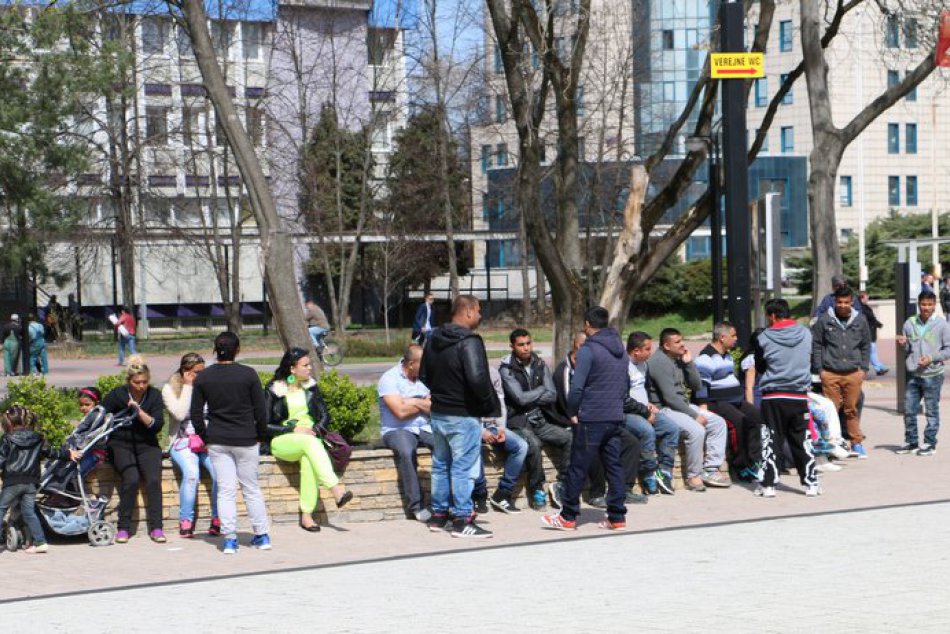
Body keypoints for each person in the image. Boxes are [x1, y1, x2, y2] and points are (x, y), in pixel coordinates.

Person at [419, 294, 499, 538]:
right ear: (468, 312)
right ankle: (462, 519)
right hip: (463, 414)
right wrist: (486, 404)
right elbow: (478, 379)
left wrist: (442, 393)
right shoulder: (470, 341)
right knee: (463, 468)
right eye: (478, 311)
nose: (480, 316)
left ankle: (439, 515)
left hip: (440, 412)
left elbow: (424, 375)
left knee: (441, 465)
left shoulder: (433, 338)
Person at [542, 306, 628, 531]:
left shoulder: (588, 350)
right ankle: (617, 517)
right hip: (615, 415)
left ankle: (568, 516)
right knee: (614, 466)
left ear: (588, 325)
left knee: (577, 467)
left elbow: (577, 387)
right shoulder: (621, 349)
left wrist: (572, 411)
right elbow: (624, 384)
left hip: (592, 417)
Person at [191, 332, 272, 554]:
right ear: (238, 349)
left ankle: (229, 539)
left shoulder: (203, 377)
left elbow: (196, 415)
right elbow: (261, 410)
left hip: (218, 439)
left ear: (215, 350)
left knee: (225, 490)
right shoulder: (248, 374)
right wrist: (261, 435)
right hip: (246, 438)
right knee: (251, 488)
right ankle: (261, 536)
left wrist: (205, 437)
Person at [264, 348, 353, 532]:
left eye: (309, 364)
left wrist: (314, 429)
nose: (310, 368)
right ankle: (335, 488)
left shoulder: (310, 386)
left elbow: (325, 415)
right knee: (310, 444)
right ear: (292, 369)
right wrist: (294, 428)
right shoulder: (274, 389)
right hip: (282, 440)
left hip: (310, 439)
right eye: (305, 365)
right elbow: (264, 425)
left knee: (309, 461)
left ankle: (307, 516)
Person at [647, 328, 731, 491]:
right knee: (696, 430)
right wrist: (694, 415)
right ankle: (693, 476)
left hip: (681, 405)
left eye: (682, 340)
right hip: (664, 409)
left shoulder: (677, 358)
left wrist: (689, 363)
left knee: (718, 423)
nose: (682, 344)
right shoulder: (659, 362)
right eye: (677, 342)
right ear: (666, 345)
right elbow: (670, 398)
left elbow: (696, 385)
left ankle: (711, 469)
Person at [498, 328, 571, 510]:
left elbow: (552, 394)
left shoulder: (539, 363)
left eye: (528, 343)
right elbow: (519, 399)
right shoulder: (507, 368)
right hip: (518, 422)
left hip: (540, 419)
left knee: (569, 437)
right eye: (521, 345)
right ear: (512, 346)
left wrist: (533, 395)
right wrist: (540, 391)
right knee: (534, 445)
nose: (526, 348)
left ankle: (561, 483)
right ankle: (537, 489)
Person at [755, 298, 820, 497]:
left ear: (772, 315)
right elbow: (811, 358)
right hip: (798, 395)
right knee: (802, 440)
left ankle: (768, 485)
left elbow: (760, 366)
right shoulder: (806, 333)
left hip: (773, 396)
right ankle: (811, 483)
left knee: (771, 440)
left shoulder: (763, 337)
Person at [101, 356, 166, 543]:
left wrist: (139, 412)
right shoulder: (117, 394)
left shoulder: (153, 395)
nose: (141, 386)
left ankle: (157, 528)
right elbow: (101, 415)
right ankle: (123, 528)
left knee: (154, 480)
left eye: (145, 382)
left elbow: (156, 425)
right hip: (121, 443)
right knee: (131, 479)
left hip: (147, 444)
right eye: (137, 382)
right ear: (129, 381)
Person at [0, 406, 76, 554]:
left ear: (8, 422)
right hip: (31, 483)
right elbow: (51, 452)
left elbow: (1, 458)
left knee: (1, 509)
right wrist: (68, 454)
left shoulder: (7, 439)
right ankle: (40, 542)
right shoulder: (37, 438)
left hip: (12, 482)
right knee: (29, 512)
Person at [695, 322, 765, 481]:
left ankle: (755, 461)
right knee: (739, 421)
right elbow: (701, 384)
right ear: (722, 337)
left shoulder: (726, 355)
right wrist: (703, 407)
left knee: (757, 417)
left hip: (734, 399)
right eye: (733, 335)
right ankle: (741, 466)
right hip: (717, 401)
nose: (736, 339)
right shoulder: (706, 358)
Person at [162, 353, 220, 538]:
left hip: (207, 439)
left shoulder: (208, 387)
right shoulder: (169, 388)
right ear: (186, 372)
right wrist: (188, 387)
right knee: (192, 474)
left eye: (204, 372)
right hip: (183, 441)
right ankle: (186, 520)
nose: (202, 376)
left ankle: (218, 518)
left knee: (220, 474)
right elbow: (179, 414)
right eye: (197, 372)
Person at [812, 286, 871, 458]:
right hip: (830, 372)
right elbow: (817, 345)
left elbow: (866, 345)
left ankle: (856, 443)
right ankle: (832, 444)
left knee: (851, 409)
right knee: (831, 410)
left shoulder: (860, 320)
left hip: (853, 372)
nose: (843, 305)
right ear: (835, 302)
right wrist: (820, 369)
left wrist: (864, 369)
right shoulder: (824, 320)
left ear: (852, 302)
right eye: (839, 302)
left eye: (846, 302)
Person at [378, 344, 433, 522]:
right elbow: (399, 413)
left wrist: (411, 402)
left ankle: (444, 502)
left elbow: (434, 407)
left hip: (424, 428)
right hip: (397, 430)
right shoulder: (389, 379)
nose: (425, 367)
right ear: (410, 364)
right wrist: (420, 403)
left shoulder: (423, 379)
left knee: (446, 446)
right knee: (406, 451)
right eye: (422, 364)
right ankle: (416, 506)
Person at [624, 332, 681, 495]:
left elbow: (643, 390)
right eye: (647, 349)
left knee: (672, 428)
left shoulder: (644, 365)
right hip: (628, 413)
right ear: (636, 350)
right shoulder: (623, 368)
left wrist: (648, 404)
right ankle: (649, 474)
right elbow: (624, 399)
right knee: (646, 431)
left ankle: (665, 472)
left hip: (644, 409)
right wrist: (644, 411)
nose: (651, 352)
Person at [896, 290, 950, 456]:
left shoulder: (942, 325)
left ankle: (929, 443)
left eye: (929, 304)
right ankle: (911, 442)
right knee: (909, 410)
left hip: (933, 375)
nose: (926, 308)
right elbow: (908, 349)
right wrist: (903, 344)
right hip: (914, 374)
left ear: (934, 305)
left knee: (931, 411)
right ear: (919, 305)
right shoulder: (910, 323)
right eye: (923, 304)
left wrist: (932, 357)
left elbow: (948, 349)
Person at [472, 366, 528, 514]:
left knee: (521, 446)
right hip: (472, 426)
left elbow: (500, 401)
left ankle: (503, 493)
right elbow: (463, 409)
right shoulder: (465, 374)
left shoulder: (492, 372)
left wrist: (501, 427)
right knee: (473, 448)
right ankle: (479, 493)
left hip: (493, 424)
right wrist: (481, 431)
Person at [857, 291, 888, 375]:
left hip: (871, 332)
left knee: (872, 351)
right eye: (867, 296)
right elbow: (870, 318)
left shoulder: (864, 306)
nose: (868, 298)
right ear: (862, 297)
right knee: (871, 350)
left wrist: (878, 324)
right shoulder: (860, 308)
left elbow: (872, 318)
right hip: (867, 332)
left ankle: (879, 367)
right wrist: (878, 323)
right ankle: (879, 368)